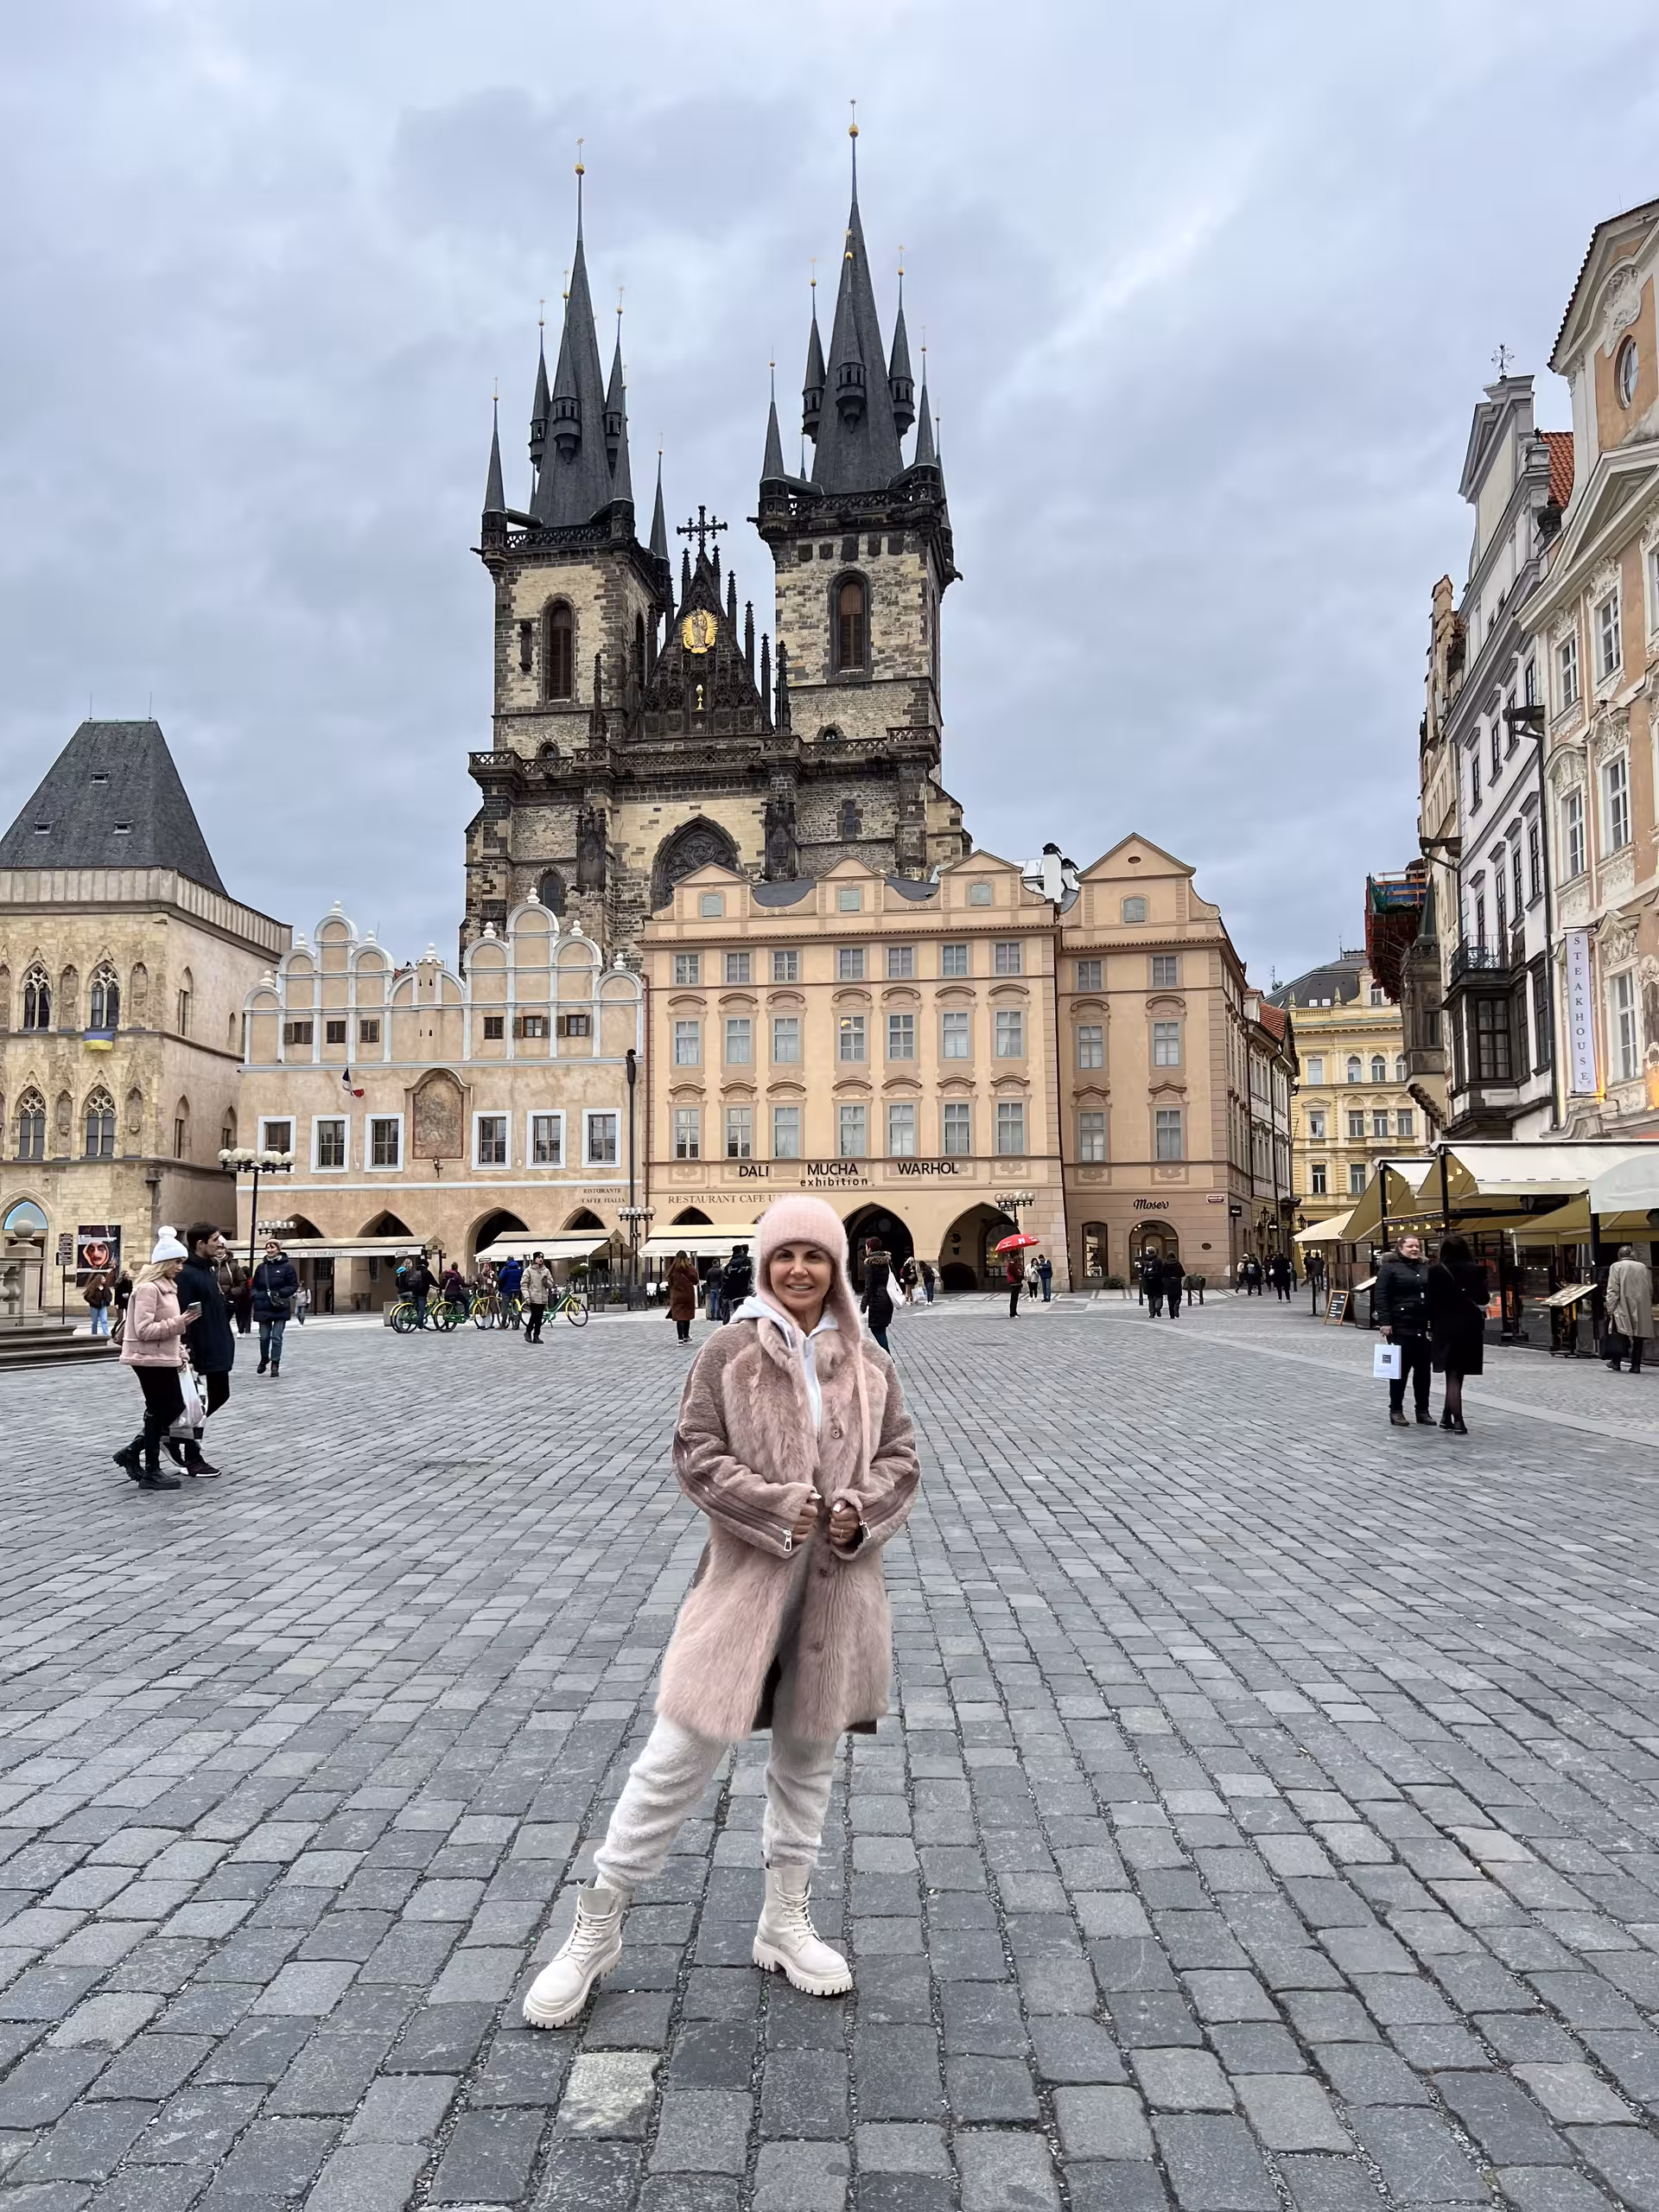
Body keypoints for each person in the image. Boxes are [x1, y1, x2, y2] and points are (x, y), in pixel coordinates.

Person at [523, 1194, 918, 2031]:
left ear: (837, 1268)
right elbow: (694, 1454)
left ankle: (785, 1916)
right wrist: (778, 1506)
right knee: (676, 1757)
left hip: (837, 1590)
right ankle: (597, 1922)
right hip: (742, 1586)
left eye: (815, 1257)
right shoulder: (729, 1352)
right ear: (765, 1264)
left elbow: (901, 1458)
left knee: (808, 1763)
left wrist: (858, 1511)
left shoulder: (867, 1359)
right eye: (786, 1256)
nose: (800, 1270)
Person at [112, 1232, 198, 1491]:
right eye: (177, 1262)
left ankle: (136, 1454)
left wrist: (180, 1350)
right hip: (147, 1358)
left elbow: (169, 1330)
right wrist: (180, 1322)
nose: (180, 1267)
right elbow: (144, 1329)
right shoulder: (149, 1288)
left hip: (163, 1357)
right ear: (164, 1262)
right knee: (164, 1408)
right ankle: (150, 1468)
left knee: (168, 1408)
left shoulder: (169, 1287)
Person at [176, 1225, 238, 1474]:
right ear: (200, 1244)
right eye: (214, 1239)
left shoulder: (208, 1269)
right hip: (201, 1346)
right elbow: (185, 1313)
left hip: (217, 1341)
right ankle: (191, 1455)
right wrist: (186, 1347)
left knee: (217, 1396)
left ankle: (175, 1442)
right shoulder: (188, 1273)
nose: (220, 1243)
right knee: (195, 1404)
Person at [1427, 1233, 1488, 1434]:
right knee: (1458, 1373)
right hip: (1468, 1324)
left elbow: (1430, 1301)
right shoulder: (1475, 1270)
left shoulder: (1434, 1271)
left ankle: (1455, 1419)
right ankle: (1452, 1417)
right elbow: (1483, 1299)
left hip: (1443, 1325)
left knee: (1451, 1373)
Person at [1375, 1233, 1433, 1427]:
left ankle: (1422, 1411)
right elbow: (1381, 1296)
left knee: (1423, 1371)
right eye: (1410, 1246)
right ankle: (1396, 1410)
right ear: (1400, 1248)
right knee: (1399, 1371)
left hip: (1422, 1326)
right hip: (1400, 1325)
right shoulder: (1389, 1268)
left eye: (1417, 1246)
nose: (1415, 1249)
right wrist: (1385, 1322)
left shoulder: (1424, 1267)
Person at [1605, 1243, 1655, 1374]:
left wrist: (1610, 1307)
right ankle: (1636, 1365)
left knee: (1619, 1333)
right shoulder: (1643, 1267)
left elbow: (1613, 1290)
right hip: (1641, 1304)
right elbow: (1650, 1288)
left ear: (1619, 1256)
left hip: (1623, 1304)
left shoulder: (1616, 1267)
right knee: (1639, 1336)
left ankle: (1616, 1362)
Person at [251, 1238, 298, 1377]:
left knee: (276, 1337)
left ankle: (275, 1363)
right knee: (264, 1337)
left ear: (278, 1249)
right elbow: (254, 1285)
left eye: (273, 1247)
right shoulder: (261, 1267)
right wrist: (255, 1295)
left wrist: (280, 1293)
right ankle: (264, 1358)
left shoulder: (288, 1267)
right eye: (268, 1248)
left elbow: (293, 1285)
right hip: (263, 1305)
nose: (270, 1250)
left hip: (280, 1305)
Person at [861, 1243, 895, 1351]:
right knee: (880, 1329)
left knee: (877, 1329)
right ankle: (887, 1357)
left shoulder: (870, 1264)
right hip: (888, 1300)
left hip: (877, 1301)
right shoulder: (888, 1262)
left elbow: (868, 1286)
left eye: (866, 1247)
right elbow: (895, 1277)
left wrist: (863, 1305)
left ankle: (888, 1358)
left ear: (870, 1248)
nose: (866, 1249)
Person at [667, 1250, 700, 1343]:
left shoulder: (673, 1269)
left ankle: (680, 1338)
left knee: (679, 1316)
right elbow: (696, 1281)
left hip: (677, 1295)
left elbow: (670, 1282)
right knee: (686, 1315)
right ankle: (686, 1335)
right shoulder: (690, 1268)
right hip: (688, 1294)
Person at [522, 1252, 554, 1344]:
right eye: (538, 1257)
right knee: (535, 1316)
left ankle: (536, 1336)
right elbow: (524, 1285)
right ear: (534, 1259)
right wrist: (527, 1297)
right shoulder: (529, 1270)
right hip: (533, 1297)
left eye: (542, 1257)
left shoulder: (546, 1270)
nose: (540, 1259)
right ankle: (528, 1332)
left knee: (539, 1318)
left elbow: (551, 1284)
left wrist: (546, 1281)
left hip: (543, 1298)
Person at [402, 1253, 436, 1328]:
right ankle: (420, 1324)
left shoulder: (416, 1272)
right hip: (422, 1293)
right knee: (422, 1310)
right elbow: (433, 1282)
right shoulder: (426, 1272)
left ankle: (414, 1317)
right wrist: (440, 1287)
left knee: (417, 1307)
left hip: (414, 1292)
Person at [722, 1244, 754, 1320]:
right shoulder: (749, 1263)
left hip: (733, 1294)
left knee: (734, 1314)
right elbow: (753, 1277)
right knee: (747, 1316)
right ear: (741, 1251)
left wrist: (725, 1296)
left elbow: (725, 1281)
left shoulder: (729, 1266)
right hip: (746, 1292)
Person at [84, 1270, 112, 1338]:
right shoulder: (93, 1288)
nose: (104, 1280)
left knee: (104, 1320)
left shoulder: (106, 1288)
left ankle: (106, 1334)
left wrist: (108, 1301)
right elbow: (87, 1297)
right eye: (103, 1279)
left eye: (104, 1279)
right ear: (99, 1280)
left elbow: (109, 1295)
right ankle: (94, 1334)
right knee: (95, 1322)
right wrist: (94, 1302)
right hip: (94, 1306)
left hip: (103, 1306)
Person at [497, 1254, 524, 1321]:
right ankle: (516, 1319)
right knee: (516, 1304)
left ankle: (504, 1322)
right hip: (517, 1289)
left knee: (505, 1305)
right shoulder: (520, 1268)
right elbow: (524, 1277)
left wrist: (499, 1287)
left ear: (507, 1261)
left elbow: (500, 1278)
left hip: (507, 1290)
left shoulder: (505, 1268)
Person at [1161, 1251, 1185, 1319]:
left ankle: (1172, 1315)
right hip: (1177, 1281)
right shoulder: (1177, 1264)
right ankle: (1176, 1305)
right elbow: (1183, 1273)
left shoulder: (1165, 1264)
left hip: (1169, 1282)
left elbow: (1162, 1274)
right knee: (1178, 1296)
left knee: (1170, 1299)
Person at [1141, 1251, 1165, 1319]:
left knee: (1151, 1298)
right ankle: (1157, 1308)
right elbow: (1162, 1271)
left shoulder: (1145, 1261)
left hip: (1149, 1282)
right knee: (1159, 1296)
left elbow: (1142, 1272)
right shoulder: (1159, 1260)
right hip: (1158, 1281)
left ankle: (1152, 1313)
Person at [1005, 1251, 1026, 1319]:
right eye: (1017, 1256)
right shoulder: (1011, 1265)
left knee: (1015, 1298)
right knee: (1013, 1298)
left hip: (1016, 1282)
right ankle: (1012, 1313)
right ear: (1014, 1257)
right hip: (1014, 1282)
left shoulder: (1014, 1264)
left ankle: (1014, 1312)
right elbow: (1016, 1274)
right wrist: (1022, 1276)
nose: (1018, 1257)